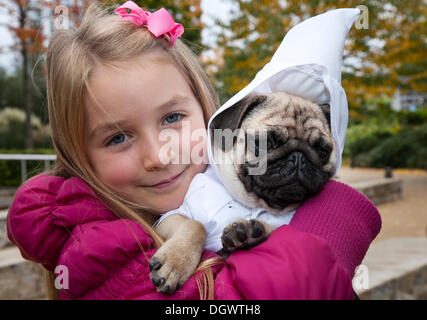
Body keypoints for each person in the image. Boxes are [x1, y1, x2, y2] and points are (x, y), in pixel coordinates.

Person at [6, 1, 380, 300]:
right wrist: (332, 221)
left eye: (172, 118)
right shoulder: (101, 249)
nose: (159, 155)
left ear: (207, 108)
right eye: (118, 138)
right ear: (77, 156)